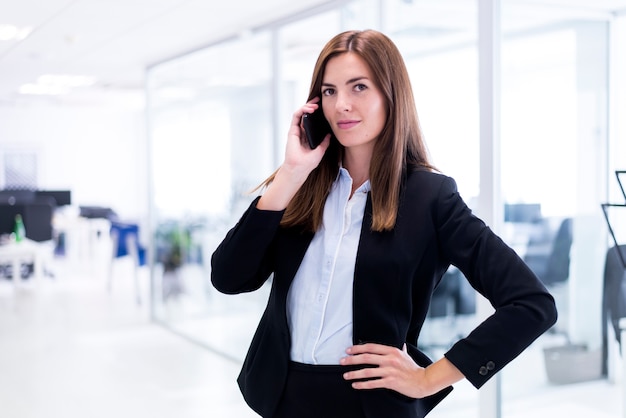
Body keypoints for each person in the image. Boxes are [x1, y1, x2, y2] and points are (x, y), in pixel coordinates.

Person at [211, 29, 557, 418]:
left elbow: (532, 304)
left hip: (369, 406)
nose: (341, 104)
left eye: (358, 87)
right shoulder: (301, 185)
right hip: (282, 397)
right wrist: (290, 175)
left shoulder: (431, 196)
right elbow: (228, 277)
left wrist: (428, 378)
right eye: (328, 91)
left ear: (392, 95)